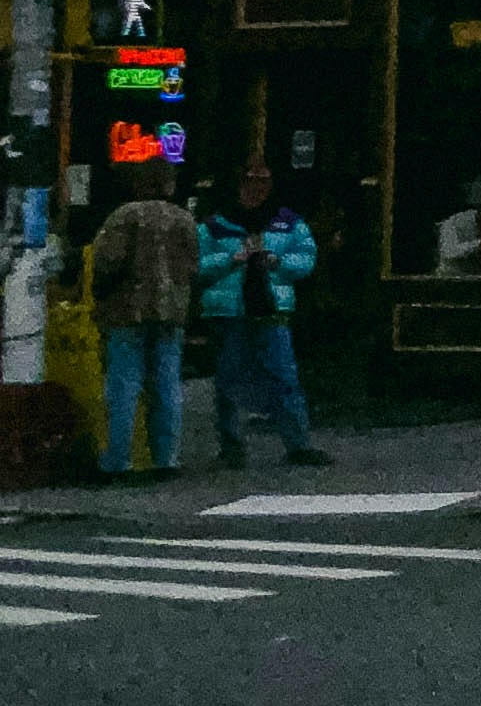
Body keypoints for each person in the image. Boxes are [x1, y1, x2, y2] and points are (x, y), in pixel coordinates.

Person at [198, 160, 333, 467]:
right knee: (228, 381)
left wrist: (277, 263)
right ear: (238, 183)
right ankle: (231, 449)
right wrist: (231, 260)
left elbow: (306, 258)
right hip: (229, 312)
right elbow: (197, 267)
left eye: (264, 180)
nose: (257, 187)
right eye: (251, 179)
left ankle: (298, 445)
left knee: (284, 378)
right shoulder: (214, 225)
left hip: (271, 310)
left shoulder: (287, 221)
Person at [87, 163, 197, 480]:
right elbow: (192, 266)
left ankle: (118, 461)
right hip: (171, 311)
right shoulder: (183, 219)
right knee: (167, 383)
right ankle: (166, 458)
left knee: (124, 383)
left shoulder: (124, 216)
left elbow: (107, 260)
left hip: (128, 310)